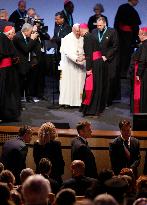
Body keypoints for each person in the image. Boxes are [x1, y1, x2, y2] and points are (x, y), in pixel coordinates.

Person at [92, 17, 119, 106]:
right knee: (99, 80)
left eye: (100, 25)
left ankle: (107, 101)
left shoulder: (112, 32)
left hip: (109, 60)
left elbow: (115, 46)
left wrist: (106, 56)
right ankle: (99, 100)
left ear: (105, 24)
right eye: (97, 25)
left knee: (108, 81)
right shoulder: (94, 32)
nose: (98, 27)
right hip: (97, 60)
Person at [79, 23, 105, 116]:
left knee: (91, 86)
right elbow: (91, 53)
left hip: (94, 64)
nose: (79, 33)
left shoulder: (87, 37)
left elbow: (89, 55)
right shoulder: (91, 36)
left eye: (79, 31)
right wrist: (84, 57)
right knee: (96, 86)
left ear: (82, 29)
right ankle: (95, 108)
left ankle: (92, 109)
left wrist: (88, 69)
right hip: (98, 62)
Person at [59, 23, 86, 107]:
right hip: (69, 66)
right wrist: (77, 59)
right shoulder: (67, 39)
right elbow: (67, 52)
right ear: (73, 30)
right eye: (77, 31)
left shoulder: (83, 38)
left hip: (81, 65)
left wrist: (84, 56)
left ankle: (79, 102)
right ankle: (67, 102)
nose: (78, 33)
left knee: (80, 84)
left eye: (79, 31)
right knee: (68, 85)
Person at [114, 0, 141, 78]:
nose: (138, 2)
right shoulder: (132, 10)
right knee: (127, 54)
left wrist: (116, 35)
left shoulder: (122, 7)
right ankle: (123, 73)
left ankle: (120, 72)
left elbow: (116, 22)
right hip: (128, 36)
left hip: (121, 35)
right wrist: (137, 39)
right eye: (137, 0)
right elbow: (135, 27)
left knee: (121, 54)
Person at [13, 23, 39, 103]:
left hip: (26, 63)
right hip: (19, 64)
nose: (31, 33)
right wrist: (32, 39)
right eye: (30, 32)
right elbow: (26, 49)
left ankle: (25, 98)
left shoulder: (25, 36)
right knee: (19, 83)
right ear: (26, 31)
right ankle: (17, 101)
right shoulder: (18, 37)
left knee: (26, 82)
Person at [0, 25, 21, 122]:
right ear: (9, 33)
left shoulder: (5, 39)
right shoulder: (3, 39)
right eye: (13, 33)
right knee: (6, 93)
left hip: (7, 70)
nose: (14, 35)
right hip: (5, 71)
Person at [135, 27, 147, 113]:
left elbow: (142, 60)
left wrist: (138, 73)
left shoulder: (144, 45)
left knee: (143, 94)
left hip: (144, 72)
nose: (138, 36)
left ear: (143, 34)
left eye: (139, 34)